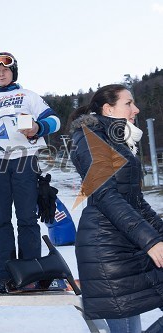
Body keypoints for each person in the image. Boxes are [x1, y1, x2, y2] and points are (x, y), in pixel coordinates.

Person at [69, 84, 163, 333]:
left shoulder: (119, 141)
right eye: (128, 103)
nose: (136, 109)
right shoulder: (90, 137)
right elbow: (106, 196)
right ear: (108, 109)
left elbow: (136, 201)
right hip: (108, 250)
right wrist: (151, 241)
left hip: (127, 241)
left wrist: (158, 235)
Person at [0, 52, 61, 292]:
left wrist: (39, 127)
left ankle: (29, 274)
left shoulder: (28, 96)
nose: (1, 72)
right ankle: (6, 276)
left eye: (6, 69)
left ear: (13, 72)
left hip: (24, 159)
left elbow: (54, 120)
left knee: (27, 217)